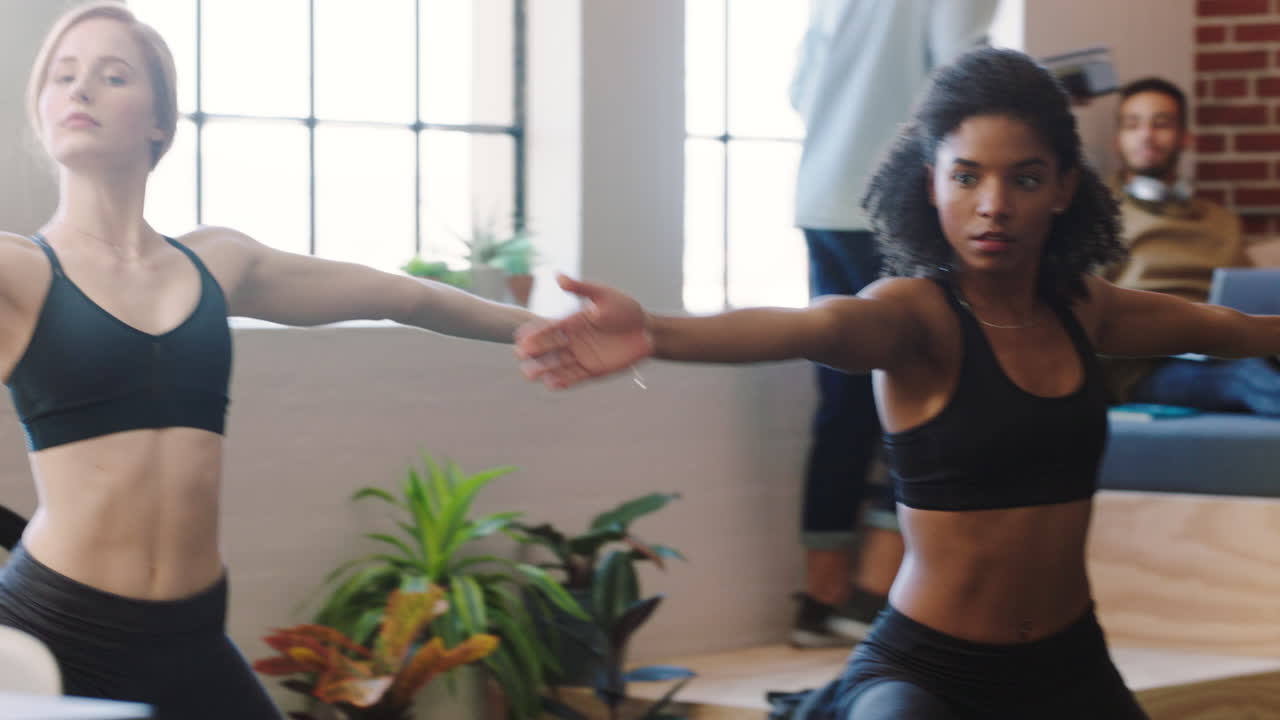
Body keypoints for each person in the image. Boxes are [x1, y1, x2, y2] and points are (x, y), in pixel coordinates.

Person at [515, 48, 1280, 718]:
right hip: (929, 673)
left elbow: (1225, 330)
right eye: (968, 176)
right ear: (931, 183)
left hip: (1068, 665)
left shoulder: (1086, 308)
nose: (993, 205)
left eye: (1025, 179)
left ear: (1064, 188)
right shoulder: (914, 317)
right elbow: (810, 327)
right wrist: (660, 331)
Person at [0, 3, 547, 717]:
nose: (79, 90)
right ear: (41, 113)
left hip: (192, 640)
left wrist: (541, 330)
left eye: (112, 75)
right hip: (60, 634)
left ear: (160, 120)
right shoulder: (18, 273)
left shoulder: (218, 263)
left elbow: (403, 298)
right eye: (62, 76)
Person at [788, 0, 998, 647]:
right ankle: (875, 592)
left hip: (822, 197)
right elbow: (964, 88)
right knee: (930, 388)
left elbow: (799, 92)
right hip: (895, 202)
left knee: (843, 403)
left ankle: (819, 600)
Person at [1101, 77, 1278, 414]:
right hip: (1144, 365)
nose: (1147, 135)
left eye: (1161, 123)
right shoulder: (1100, 214)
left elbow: (1250, 300)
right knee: (1245, 377)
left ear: (1185, 138)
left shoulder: (1222, 221)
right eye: (1132, 124)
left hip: (1222, 343)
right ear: (1117, 141)